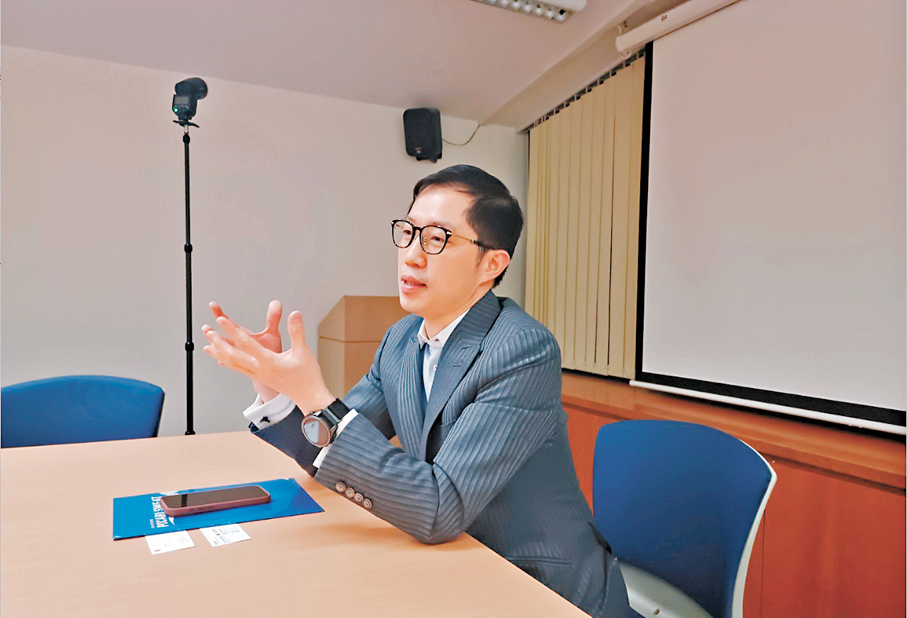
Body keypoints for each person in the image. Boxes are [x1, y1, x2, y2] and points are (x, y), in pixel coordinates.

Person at [202, 164, 631, 617]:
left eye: (438, 238)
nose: (411, 255)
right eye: (408, 232)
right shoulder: (401, 339)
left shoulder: (521, 349)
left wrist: (316, 398)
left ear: (491, 264)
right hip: (453, 567)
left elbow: (440, 507)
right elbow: (332, 448)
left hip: (539, 587)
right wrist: (275, 387)